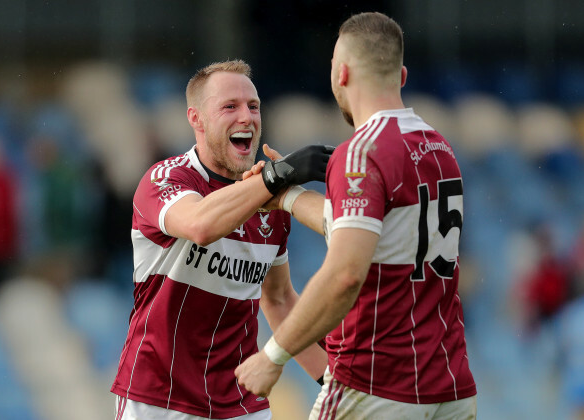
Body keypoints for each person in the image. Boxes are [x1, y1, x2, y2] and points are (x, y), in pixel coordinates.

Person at [235, 12, 477, 419]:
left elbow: (345, 273)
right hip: (449, 386)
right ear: (401, 76)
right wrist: (287, 198)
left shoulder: (362, 152)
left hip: (377, 384)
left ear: (341, 74)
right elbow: (370, 233)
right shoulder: (440, 149)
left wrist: (272, 356)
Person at [110, 59, 332, 420]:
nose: (246, 117)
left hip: (241, 403)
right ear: (196, 118)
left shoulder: (270, 201)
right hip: (159, 400)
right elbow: (201, 224)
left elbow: (277, 300)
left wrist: (331, 380)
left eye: (253, 106)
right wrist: (276, 180)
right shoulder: (166, 179)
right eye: (230, 106)